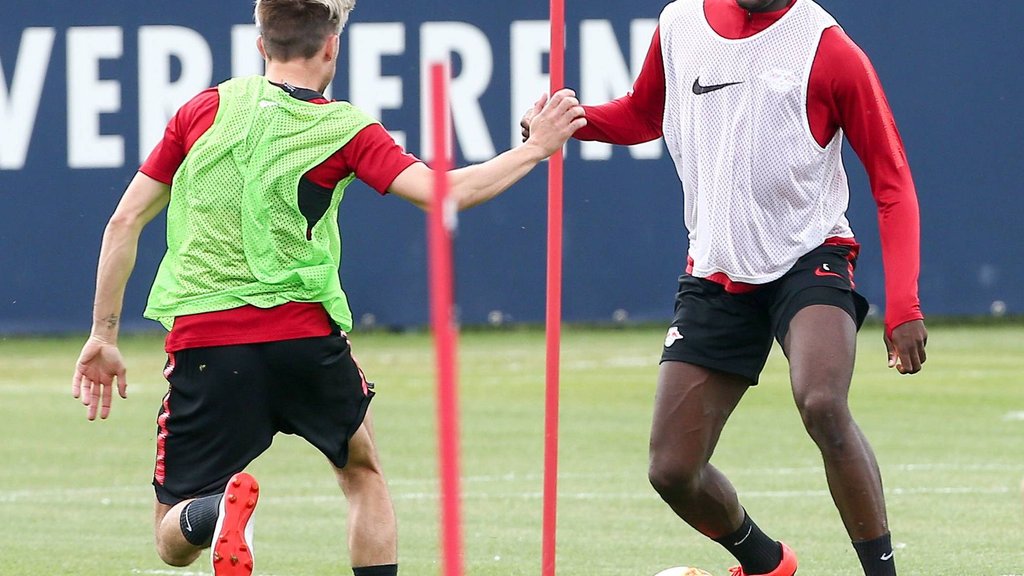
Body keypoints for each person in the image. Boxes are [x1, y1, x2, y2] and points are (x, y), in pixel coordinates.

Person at [70, 1, 586, 575]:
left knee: (171, 541)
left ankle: (212, 514)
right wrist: (536, 147)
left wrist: (104, 333)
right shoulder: (345, 127)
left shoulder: (202, 111)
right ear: (332, 47)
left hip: (208, 345)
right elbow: (447, 193)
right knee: (361, 471)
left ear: (261, 46)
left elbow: (123, 222)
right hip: (304, 340)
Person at [521, 0, 927, 575]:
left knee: (822, 403)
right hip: (716, 268)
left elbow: (892, 181)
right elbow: (643, 114)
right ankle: (766, 563)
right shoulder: (679, 25)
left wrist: (904, 306)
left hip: (809, 256)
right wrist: (573, 121)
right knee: (672, 470)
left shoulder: (829, 49)